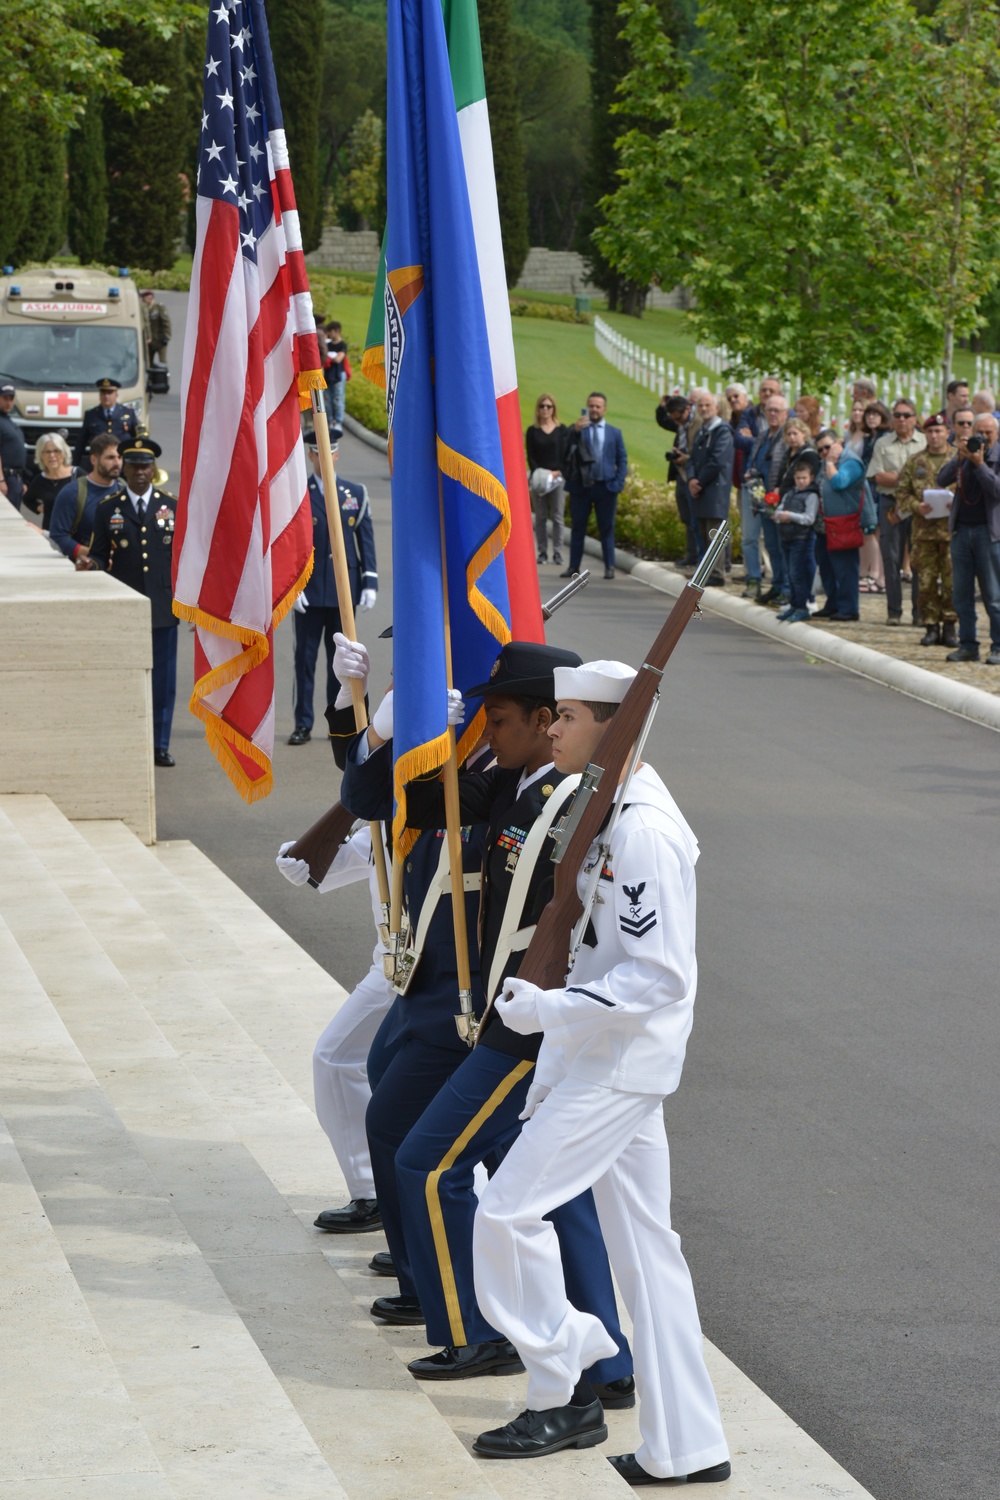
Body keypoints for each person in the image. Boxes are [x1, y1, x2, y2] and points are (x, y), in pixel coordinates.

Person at [471, 660, 731, 1485]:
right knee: (650, 1256)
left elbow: (659, 977)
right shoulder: (604, 806)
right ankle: (687, 1446)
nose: (551, 727)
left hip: (620, 1066)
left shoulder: (643, 829)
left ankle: (563, 1366)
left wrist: (551, 1012)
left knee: (506, 1212)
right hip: (602, 1058)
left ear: (617, 728)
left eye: (570, 715)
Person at [392, 643, 634, 1404]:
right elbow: (408, 802)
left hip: (534, 1026)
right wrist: (430, 727)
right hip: (511, 1017)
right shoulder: (516, 786)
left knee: (428, 1165)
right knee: (556, 1191)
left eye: (566, 716)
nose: (555, 729)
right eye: (553, 714)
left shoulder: (587, 805)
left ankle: (482, 1336)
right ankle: (609, 1364)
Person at [337, 671, 488, 1327]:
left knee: (415, 1136)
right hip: (419, 978)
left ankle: (445, 1288)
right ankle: (418, 1274)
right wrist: (380, 729)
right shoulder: (434, 741)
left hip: (466, 988)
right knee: (383, 1099)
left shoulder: (494, 758)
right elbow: (368, 799)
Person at [86, 437, 179, 766]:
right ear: (123, 469)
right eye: (134, 466)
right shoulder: (108, 508)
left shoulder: (171, 506)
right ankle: (128, 740)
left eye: (145, 466)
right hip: (125, 607)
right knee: (126, 677)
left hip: (164, 608)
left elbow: (183, 559)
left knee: (163, 683)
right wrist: (89, 564)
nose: (140, 472)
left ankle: (160, 745)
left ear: (153, 470)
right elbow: (99, 556)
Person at [289, 427, 377, 746]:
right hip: (309, 591)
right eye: (317, 452)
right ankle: (302, 722)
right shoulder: (298, 494)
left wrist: (369, 582)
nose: (323, 457)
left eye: (329, 451)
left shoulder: (354, 493)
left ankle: (335, 721)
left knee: (340, 662)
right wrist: (291, 586)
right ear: (311, 455)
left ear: (336, 454)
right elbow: (290, 543)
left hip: (343, 591)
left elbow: (364, 542)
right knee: (305, 660)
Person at [936, 411, 1000, 664]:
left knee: (993, 596)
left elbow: (996, 490)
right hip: (962, 531)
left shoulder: (995, 457)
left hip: (989, 533)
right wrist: (959, 458)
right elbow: (941, 480)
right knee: (961, 594)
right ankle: (968, 644)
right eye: (979, 433)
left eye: (988, 433)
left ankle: (998, 646)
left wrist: (980, 464)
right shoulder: (965, 453)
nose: (983, 438)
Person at [893, 414, 958, 647]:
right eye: (930, 432)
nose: (934, 436)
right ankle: (931, 625)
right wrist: (916, 506)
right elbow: (901, 492)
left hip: (952, 532)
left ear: (947, 432)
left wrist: (957, 503)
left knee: (952, 581)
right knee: (927, 581)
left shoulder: (958, 458)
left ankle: (950, 625)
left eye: (939, 431)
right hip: (924, 532)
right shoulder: (915, 461)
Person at [867, 399, 926, 626]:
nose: (902, 419)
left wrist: (898, 479)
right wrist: (909, 480)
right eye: (898, 415)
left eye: (906, 415)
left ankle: (919, 612)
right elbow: (878, 476)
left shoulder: (923, 442)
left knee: (918, 558)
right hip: (890, 504)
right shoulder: (883, 444)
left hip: (917, 506)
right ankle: (894, 611)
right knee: (890, 558)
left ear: (914, 418)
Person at [562, 393, 627, 581]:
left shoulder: (614, 433)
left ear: (604, 409)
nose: (594, 409)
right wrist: (574, 431)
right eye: (591, 406)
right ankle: (573, 566)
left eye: (598, 406)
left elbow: (622, 459)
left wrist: (617, 483)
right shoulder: (578, 429)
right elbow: (565, 449)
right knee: (578, 528)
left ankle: (610, 566)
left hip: (606, 487)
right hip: (581, 487)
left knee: (607, 528)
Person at [813, 431, 874, 622]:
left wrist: (830, 462)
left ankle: (849, 608)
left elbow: (840, 482)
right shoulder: (824, 462)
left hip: (844, 523)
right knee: (827, 566)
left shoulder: (851, 461)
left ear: (839, 442)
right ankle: (834, 603)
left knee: (845, 568)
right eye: (820, 449)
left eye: (828, 447)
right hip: (825, 524)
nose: (824, 452)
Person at [742, 393, 789, 603]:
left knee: (781, 545)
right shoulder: (762, 436)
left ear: (785, 414)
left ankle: (786, 588)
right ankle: (777, 585)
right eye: (768, 410)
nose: (772, 414)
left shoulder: (787, 437)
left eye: (776, 411)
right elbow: (753, 460)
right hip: (761, 499)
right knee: (770, 545)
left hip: (779, 498)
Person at [49, 435, 123, 565]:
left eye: (119, 457)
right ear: (94, 459)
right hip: (85, 570)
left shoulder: (124, 492)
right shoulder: (72, 493)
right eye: (110, 457)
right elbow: (58, 535)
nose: (117, 463)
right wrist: (92, 555)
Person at [685, 390, 734, 585]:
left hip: (715, 489)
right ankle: (706, 571)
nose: (704, 409)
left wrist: (699, 482)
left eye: (708, 405)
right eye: (700, 405)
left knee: (715, 532)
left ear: (717, 408)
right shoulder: (701, 431)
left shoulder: (722, 431)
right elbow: (692, 458)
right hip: (701, 488)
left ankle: (716, 573)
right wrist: (691, 479)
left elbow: (717, 461)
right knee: (704, 531)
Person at [774, 451, 821, 622]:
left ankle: (802, 606)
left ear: (811, 478)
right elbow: (779, 508)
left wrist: (790, 516)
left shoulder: (811, 495)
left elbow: (809, 518)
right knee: (790, 573)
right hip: (786, 537)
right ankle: (794, 604)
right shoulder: (790, 493)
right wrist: (780, 515)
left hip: (801, 539)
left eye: (804, 478)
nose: (801, 481)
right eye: (798, 478)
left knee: (797, 574)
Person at [525, 393, 569, 565]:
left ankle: (558, 551)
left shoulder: (561, 430)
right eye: (542, 406)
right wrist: (540, 473)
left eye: (548, 406)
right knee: (541, 516)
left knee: (557, 515)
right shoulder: (532, 431)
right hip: (540, 478)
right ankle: (542, 551)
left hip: (557, 477)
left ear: (553, 409)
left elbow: (565, 454)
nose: (545, 409)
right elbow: (531, 456)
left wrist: (558, 472)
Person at [657, 394, 697, 565]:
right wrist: (661, 407)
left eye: (679, 418)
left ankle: (700, 556)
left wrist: (686, 458)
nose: (677, 422)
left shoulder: (698, 424)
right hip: (681, 474)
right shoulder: (681, 423)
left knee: (697, 519)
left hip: (694, 475)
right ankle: (691, 554)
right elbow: (664, 422)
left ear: (687, 409)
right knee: (686, 517)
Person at [73, 378, 139, 465]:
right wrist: (75, 465)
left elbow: (137, 437)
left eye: (110, 393)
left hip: (122, 461)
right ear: (99, 395)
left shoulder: (128, 413)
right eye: (103, 393)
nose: (106, 396)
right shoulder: (91, 415)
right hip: (99, 462)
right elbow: (81, 442)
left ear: (116, 395)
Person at [21, 433, 76, 530]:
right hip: (50, 532)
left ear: (64, 453)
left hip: (77, 535)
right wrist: (41, 508)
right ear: (41, 455)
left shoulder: (77, 475)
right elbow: (27, 499)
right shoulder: (40, 480)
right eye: (47, 452)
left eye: (56, 451)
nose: (52, 455)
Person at [0, 380, 28, 510]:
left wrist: (22, 480)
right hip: (5, 478)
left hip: (15, 478)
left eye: (11, 398)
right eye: (5, 398)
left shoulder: (8, 420)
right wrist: (1, 480)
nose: (9, 402)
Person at [726, 381, 759, 490]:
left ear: (745, 396)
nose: (733, 400)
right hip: (739, 478)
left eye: (736, 396)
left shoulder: (755, 417)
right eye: (729, 399)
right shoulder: (731, 422)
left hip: (754, 475)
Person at [324, 320, 348, 428]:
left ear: (337, 331)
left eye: (331, 331)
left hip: (338, 375)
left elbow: (338, 359)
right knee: (328, 399)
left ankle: (338, 421)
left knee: (338, 399)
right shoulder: (327, 344)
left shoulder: (342, 345)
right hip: (328, 375)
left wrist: (330, 357)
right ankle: (330, 420)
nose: (329, 334)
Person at [139, 290, 172, 363]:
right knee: (149, 362)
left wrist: (167, 337)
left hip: (160, 340)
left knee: (162, 361)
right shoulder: (145, 309)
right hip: (150, 341)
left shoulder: (159, 307)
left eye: (144, 298)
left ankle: (164, 374)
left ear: (149, 298)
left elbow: (166, 322)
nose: (143, 300)